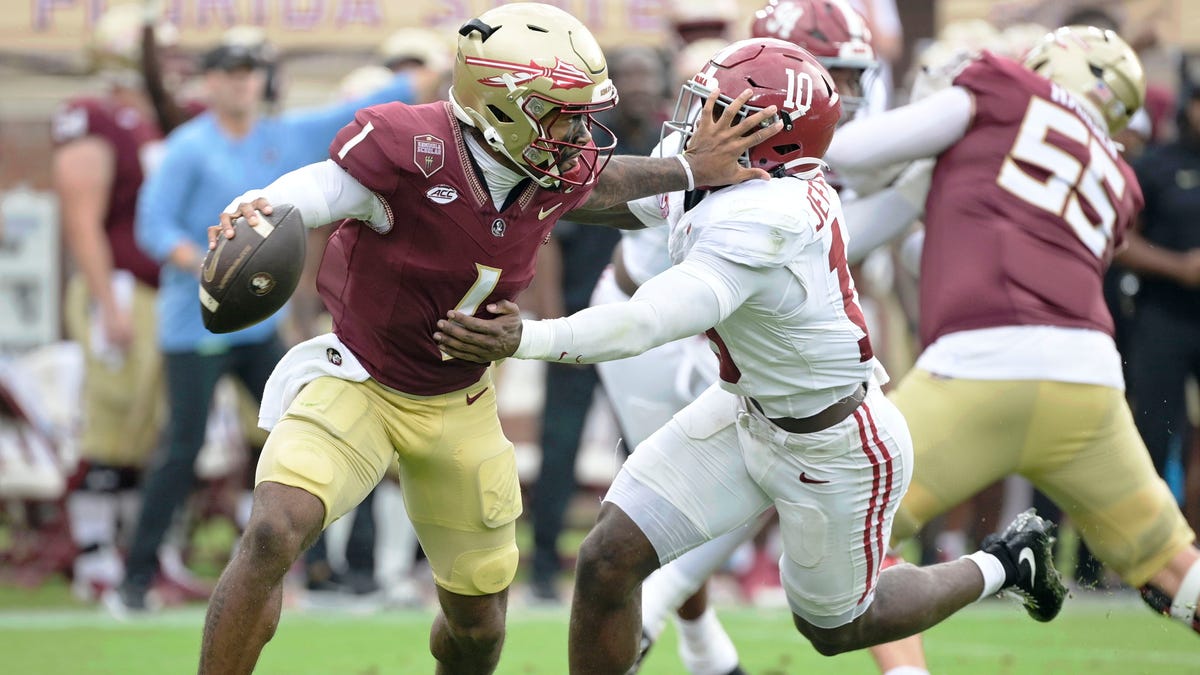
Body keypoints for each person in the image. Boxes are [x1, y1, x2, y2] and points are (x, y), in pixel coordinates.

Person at [434, 37, 1068, 675]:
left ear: (767, 133)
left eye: (715, 106)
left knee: (840, 626)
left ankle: (1005, 563)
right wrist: (514, 176)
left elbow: (649, 321)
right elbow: (620, 198)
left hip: (833, 443)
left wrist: (526, 337)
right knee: (608, 559)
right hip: (745, 412)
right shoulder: (738, 173)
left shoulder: (769, 215)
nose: (695, 120)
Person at [199, 4, 781, 673]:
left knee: (477, 628)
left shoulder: (552, 164)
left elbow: (605, 183)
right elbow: (323, 190)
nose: (579, 131)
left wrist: (689, 170)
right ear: (505, 106)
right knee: (274, 529)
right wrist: (265, 204)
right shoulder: (409, 145)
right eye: (562, 113)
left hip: (458, 402)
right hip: (358, 377)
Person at [821, 25, 1200, 673]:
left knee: (845, 534)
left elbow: (852, 151)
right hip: (1087, 382)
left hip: (980, 366)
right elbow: (954, 243)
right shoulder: (1116, 175)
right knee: (1172, 566)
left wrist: (927, 143)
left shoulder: (1002, 87)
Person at [605, 3, 932, 671]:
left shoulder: (799, 140)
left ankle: (696, 646)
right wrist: (939, 143)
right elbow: (859, 196)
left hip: (719, 331)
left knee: (740, 477)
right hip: (659, 324)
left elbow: (856, 185)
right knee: (693, 495)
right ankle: (669, 617)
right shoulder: (736, 128)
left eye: (848, 74)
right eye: (828, 72)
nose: (838, 94)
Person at [103, 29, 423, 616]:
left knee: (306, 430)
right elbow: (153, 226)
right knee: (182, 447)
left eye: (250, 72)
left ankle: (323, 575)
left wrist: (413, 79)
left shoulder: (278, 135)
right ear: (210, 81)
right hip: (194, 324)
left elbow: (342, 117)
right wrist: (207, 264)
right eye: (229, 72)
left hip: (257, 326)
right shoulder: (188, 146)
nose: (241, 82)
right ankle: (134, 581)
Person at [52, 4, 185, 602]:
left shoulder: (155, 120)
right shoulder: (95, 115)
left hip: (161, 293)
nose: (173, 63)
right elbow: (82, 219)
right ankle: (93, 555)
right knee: (109, 424)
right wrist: (109, 300)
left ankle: (137, 553)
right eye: (163, 50)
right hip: (122, 291)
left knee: (145, 430)